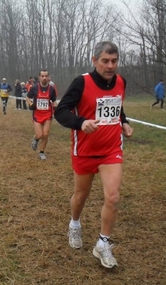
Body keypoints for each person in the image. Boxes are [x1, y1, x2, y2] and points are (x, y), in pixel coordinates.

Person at [54, 41, 133, 269]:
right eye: (105, 61)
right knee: (81, 195)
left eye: (114, 61)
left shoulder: (120, 82)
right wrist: (81, 122)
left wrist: (124, 123)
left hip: (111, 150)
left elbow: (117, 107)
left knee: (113, 197)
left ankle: (102, 243)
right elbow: (61, 112)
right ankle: (75, 224)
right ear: (94, 60)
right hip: (85, 151)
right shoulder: (82, 82)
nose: (110, 66)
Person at [26, 70, 57, 160]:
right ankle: (35, 139)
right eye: (42, 76)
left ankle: (41, 152)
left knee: (46, 134)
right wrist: (30, 104)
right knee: (39, 135)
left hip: (47, 114)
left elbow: (54, 100)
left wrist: (55, 107)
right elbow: (27, 97)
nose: (44, 78)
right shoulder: (35, 88)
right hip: (37, 114)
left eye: (46, 76)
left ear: (48, 77)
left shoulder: (51, 89)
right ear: (39, 77)